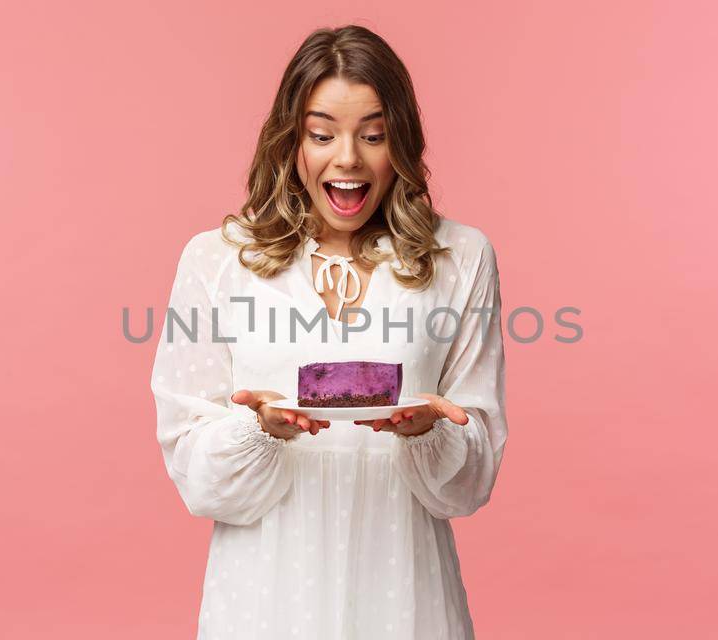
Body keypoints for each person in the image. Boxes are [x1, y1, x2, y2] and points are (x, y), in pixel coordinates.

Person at [150, 24, 507, 639]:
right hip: (264, 591)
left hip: (404, 586)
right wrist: (255, 431)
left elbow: (472, 481)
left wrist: (432, 433)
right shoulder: (215, 259)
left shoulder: (461, 256)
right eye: (322, 135)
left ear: (401, 140)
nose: (348, 158)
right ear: (291, 141)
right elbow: (193, 470)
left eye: (373, 135)